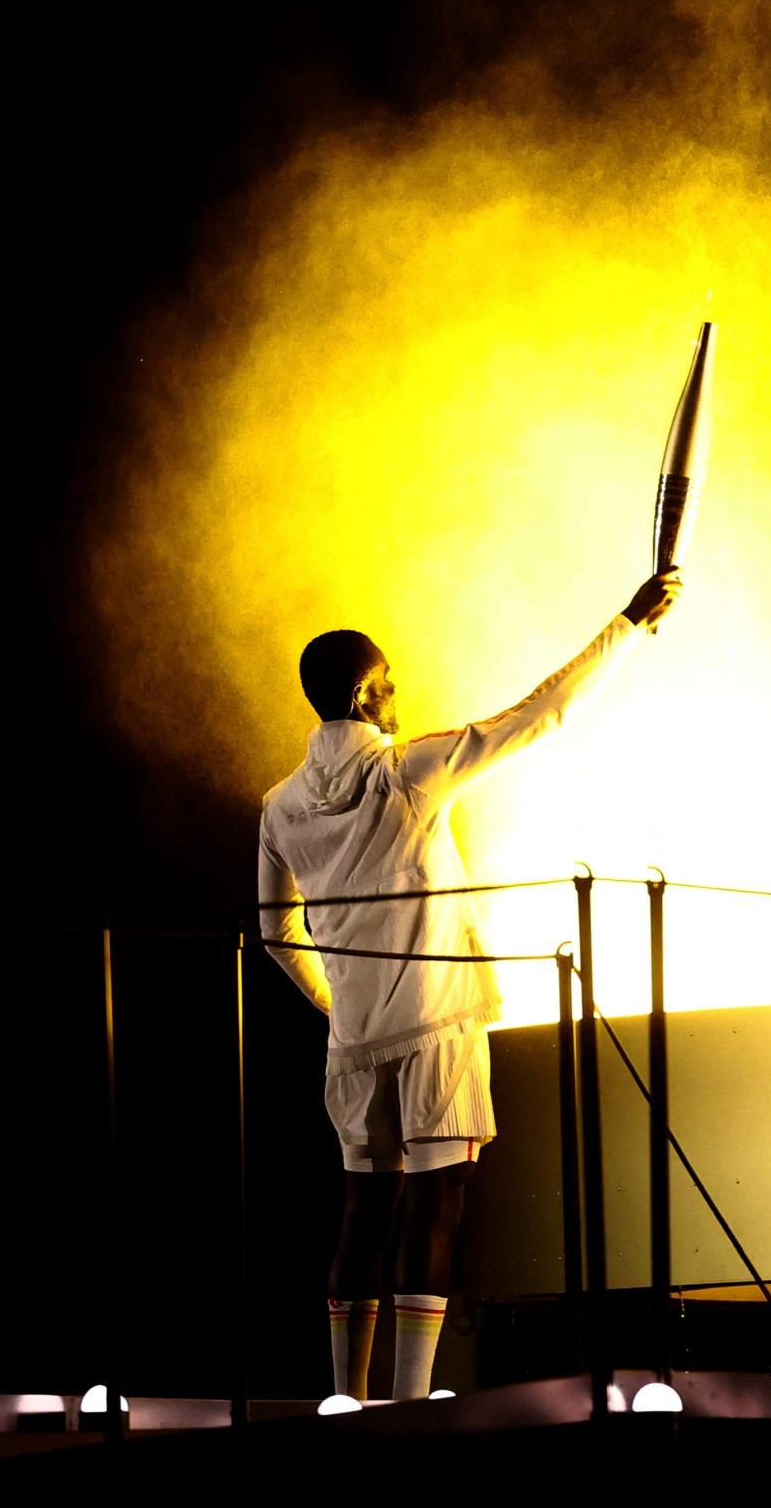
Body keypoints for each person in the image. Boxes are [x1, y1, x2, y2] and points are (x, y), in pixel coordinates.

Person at [260, 567, 682, 1402]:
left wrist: (335, 999)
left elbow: (277, 932)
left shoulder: (278, 806)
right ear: (359, 690)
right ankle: (412, 1398)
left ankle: (347, 1395)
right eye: (387, 682)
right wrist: (627, 625)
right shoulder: (408, 771)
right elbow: (538, 715)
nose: (397, 694)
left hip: (353, 1040)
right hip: (439, 1023)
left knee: (362, 1208)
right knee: (436, 1202)